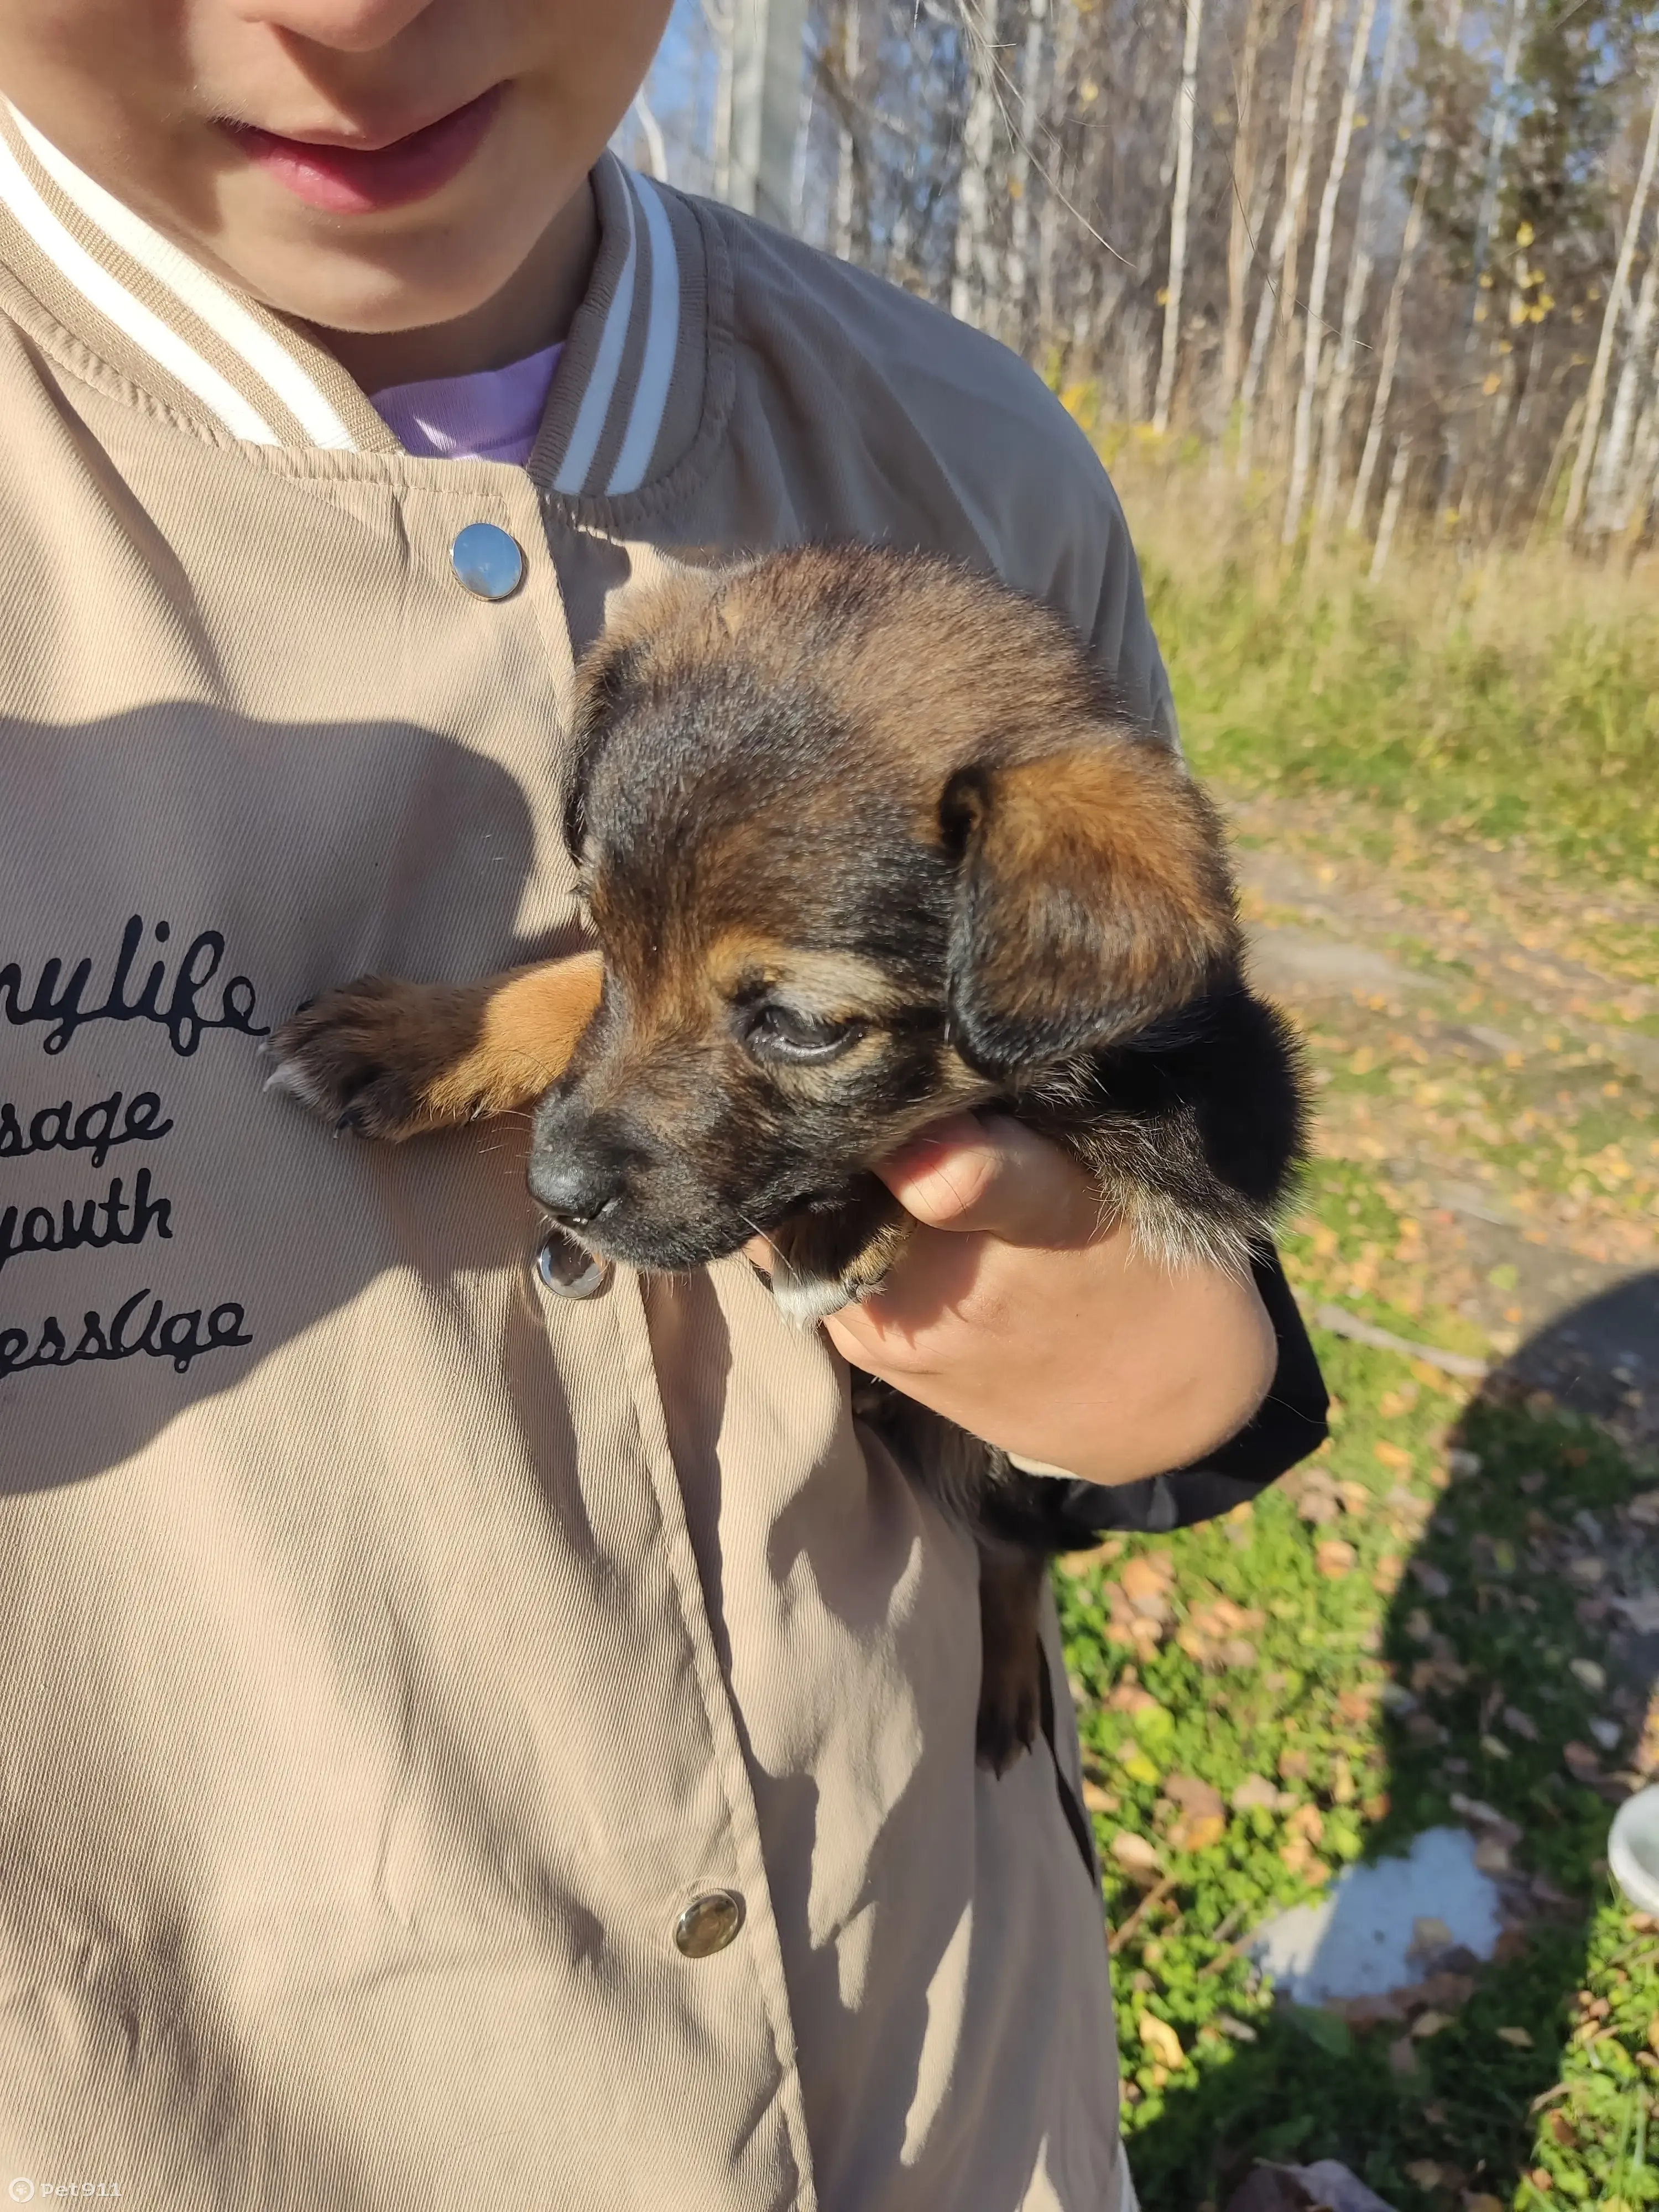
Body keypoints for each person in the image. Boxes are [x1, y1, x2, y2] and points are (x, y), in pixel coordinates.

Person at [0, 6, 1326, 2207]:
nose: (345, 8)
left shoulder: (973, 471)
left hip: (941, 2087)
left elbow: (1158, 1091)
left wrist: (1187, 1372)